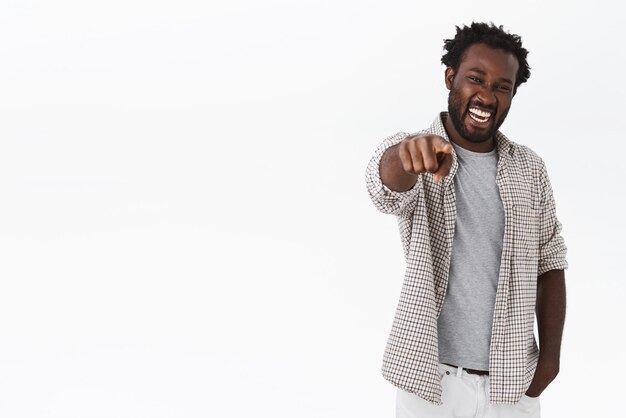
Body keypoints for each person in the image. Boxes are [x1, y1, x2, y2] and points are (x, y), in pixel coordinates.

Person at [365, 22, 568, 418]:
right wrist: (407, 155)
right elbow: (383, 186)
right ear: (450, 77)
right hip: (430, 382)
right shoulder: (418, 151)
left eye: (502, 86)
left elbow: (551, 262)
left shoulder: (530, 169)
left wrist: (550, 362)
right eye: (476, 78)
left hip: (512, 387)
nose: (487, 95)